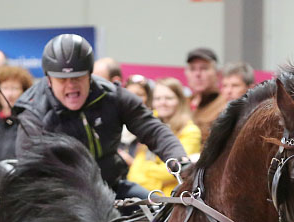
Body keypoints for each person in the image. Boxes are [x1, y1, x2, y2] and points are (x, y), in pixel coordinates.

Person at [14, 34, 187, 201]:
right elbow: (30, 171)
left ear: (90, 75)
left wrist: (180, 162)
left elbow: (154, 130)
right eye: (62, 79)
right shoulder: (33, 112)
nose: (71, 85)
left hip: (111, 187)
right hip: (59, 198)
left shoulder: (114, 96)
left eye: (78, 77)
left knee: (162, 214)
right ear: (49, 80)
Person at [127, 78, 202, 195]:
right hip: (145, 196)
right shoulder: (149, 126)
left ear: (180, 100)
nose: (162, 102)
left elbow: (173, 172)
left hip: (172, 199)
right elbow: (135, 169)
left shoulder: (191, 131)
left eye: (168, 98)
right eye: (158, 98)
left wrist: (146, 169)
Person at [185, 47, 226, 141]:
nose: (198, 74)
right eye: (192, 69)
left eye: (204, 68)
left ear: (217, 74)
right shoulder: (181, 103)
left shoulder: (224, 105)